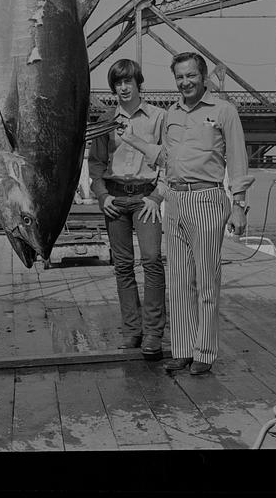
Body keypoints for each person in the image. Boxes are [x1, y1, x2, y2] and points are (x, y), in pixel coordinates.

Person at [118, 52, 253, 375]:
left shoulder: (224, 111)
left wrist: (239, 206)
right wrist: (133, 139)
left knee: (206, 281)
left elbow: (237, 161)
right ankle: (182, 349)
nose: (185, 82)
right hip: (175, 201)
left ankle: (204, 351)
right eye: (180, 77)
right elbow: (164, 158)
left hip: (207, 199)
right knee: (179, 281)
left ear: (203, 77)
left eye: (191, 76)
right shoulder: (171, 114)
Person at [88, 59, 166, 360]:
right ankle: (133, 331)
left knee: (151, 261)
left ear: (138, 83)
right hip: (116, 200)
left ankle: (154, 333)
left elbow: (167, 162)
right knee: (122, 266)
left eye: (128, 82)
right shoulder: (106, 120)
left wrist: (157, 197)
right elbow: (95, 164)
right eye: (118, 83)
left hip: (145, 199)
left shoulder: (159, 118)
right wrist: (102, 195)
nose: (123, 87)